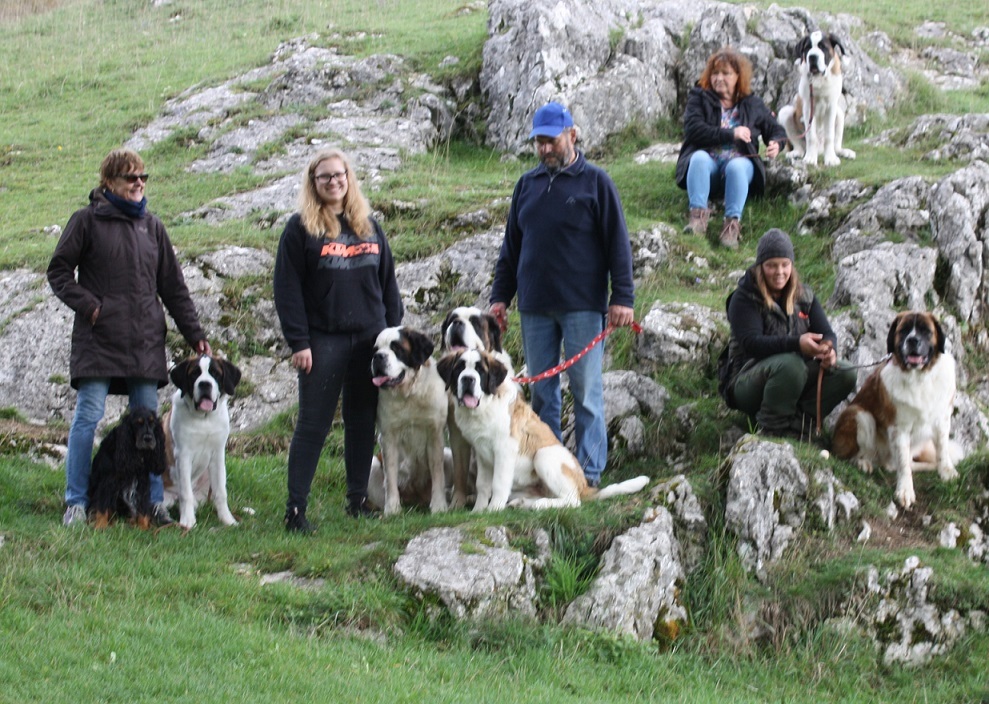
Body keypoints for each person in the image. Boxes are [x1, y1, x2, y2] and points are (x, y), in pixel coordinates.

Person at [48, 148, 211, 527]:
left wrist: (195, 335)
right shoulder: (85, 221)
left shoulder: (152, 227)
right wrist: (91, 307)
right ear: (109, 182)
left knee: (150, 426)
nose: (139, 183)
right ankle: (77, 502)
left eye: (143, 177)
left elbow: (174, 287)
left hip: (143, 341)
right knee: (87, 419)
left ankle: (151, 504)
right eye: (129, 177)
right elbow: (58, 272)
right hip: (98, 338)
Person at [489, 101, 635, 488]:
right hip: (534, 308)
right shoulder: (527, 185)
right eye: (538, 142)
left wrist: (623, 297)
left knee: (587, 393)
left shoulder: (597, 183)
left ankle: (587, 476)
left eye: (550, 141)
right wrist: (500, 297)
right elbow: (511, 249)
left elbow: (618, 244)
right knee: (542, 394)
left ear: (572, 135)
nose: (544, 149)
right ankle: (544, 470)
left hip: (583, 307)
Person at [274, 148, 403, 531]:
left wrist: (392, 337)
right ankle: (296, 509)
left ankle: (357, 498)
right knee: (313, 425)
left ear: (349, 179)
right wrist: (299, 342)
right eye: (325, 177)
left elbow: (388, 284)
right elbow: (287, 289)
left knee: (362, 420)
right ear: (313, 184)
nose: (334, 182)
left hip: (371, 339)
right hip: (323, 340)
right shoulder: (300, 229)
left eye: (339, 175)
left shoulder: (369, 226)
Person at [721, 228, 856, 437]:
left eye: (785, 265)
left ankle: (799, 425)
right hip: (746, 381)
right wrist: (797, 344)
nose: (779, 272)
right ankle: (771, 428)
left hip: (792, 376)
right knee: (791, 365)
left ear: (792, 265)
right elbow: (751, 343)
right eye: (771, 266)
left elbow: (827, 333)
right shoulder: (744, 297)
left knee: (845, 371)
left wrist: (829, 350)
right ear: (760, 267)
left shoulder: (805, 295)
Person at [675, 47, 787, 248]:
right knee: (698, 158)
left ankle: (731, 228)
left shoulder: (752, 103)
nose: (719, 78)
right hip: (709, 166)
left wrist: (776, 144)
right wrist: (731, 133)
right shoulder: (699, 96)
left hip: (738, 168)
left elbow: (775, 129)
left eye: (725, 73)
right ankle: (698, 219)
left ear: (738, 76)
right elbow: (693, 130)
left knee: (736, 166)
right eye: (715, 73)